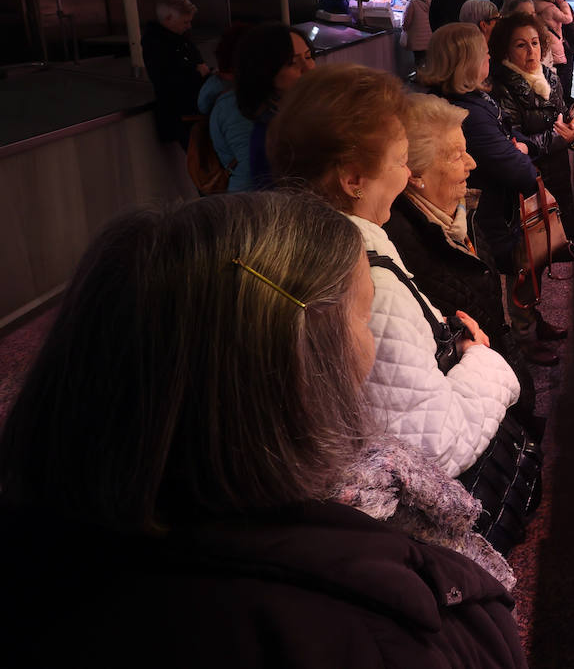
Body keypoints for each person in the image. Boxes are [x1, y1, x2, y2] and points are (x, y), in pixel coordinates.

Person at [0, 191, 527, 669]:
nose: (370, 345)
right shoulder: (364, 617)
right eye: (364, 319)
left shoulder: (49, 535)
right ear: (302, 361)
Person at [268, 65, 538, 553]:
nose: (408, 174)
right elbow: (435, 442)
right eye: (399, 161)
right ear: (354, 179)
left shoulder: (308, 240)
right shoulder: (361, 272)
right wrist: (482, 361)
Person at [383, 91, 543, 410]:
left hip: (499, 373)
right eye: (456, 155)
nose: (471, 164)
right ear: (413, 174)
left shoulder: (460, 210)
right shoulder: (403, 249)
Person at [417, 23, 560, 363]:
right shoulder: (465, 111)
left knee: (524, 270)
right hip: (489, 210)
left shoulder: (478, 98)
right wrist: (524, 157)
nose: (489, 58)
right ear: (466, 62)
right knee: (517, 271)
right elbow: (515, 167)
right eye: (483, 54)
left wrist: (522, 147)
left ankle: (530, 327)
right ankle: (523, 340)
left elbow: (511, 136)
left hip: (496, 207)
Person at [489, 12, 574, 253]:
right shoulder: (501, 87)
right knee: (535, 253)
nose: (531, 51)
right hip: (529, 182)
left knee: (566, 241)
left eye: (535, 43)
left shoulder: (549, 77)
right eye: (521, 45)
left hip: (559, 176)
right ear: (506, 50)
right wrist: (561, 138)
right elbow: (515, 144)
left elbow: (565, 122)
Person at [214, 22, 314, 192]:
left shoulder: (301, 112)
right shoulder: (268, 134)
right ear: (265, 71)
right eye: (292, 63)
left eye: (309, 56)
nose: (308, 68)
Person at [142, 0, 209, 146]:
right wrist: (197, 72)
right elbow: (167, 79)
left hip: (193, 111)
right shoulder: (157, 44)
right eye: (185, 22)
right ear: (168, 18)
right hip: (181, 115)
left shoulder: (180, 39)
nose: (189, 26)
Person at [532, 0, 571, 88]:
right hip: (554, 43)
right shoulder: (551, 8)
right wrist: (563, 4)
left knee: (547, 73)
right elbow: (568, 19)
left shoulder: (531, 6)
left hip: (542, 42)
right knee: (559, 74)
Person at [554, 0, 574, 106]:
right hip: (564, 46)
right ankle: (564, 101)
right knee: (564, 73)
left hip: (564, 45)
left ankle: (567, 98)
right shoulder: (560, 7)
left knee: (566, 73)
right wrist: (573, 43)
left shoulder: (557, 6)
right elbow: (570, 26)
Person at [402, 0, 432, 68]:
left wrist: (404, 28)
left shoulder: (412, 3)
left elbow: (406, 22)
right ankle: (427, 76)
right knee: (426, 59)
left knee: (418, 59)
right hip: (428, 37)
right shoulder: (429, 2)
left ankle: (420, 77)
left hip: (416, 38)